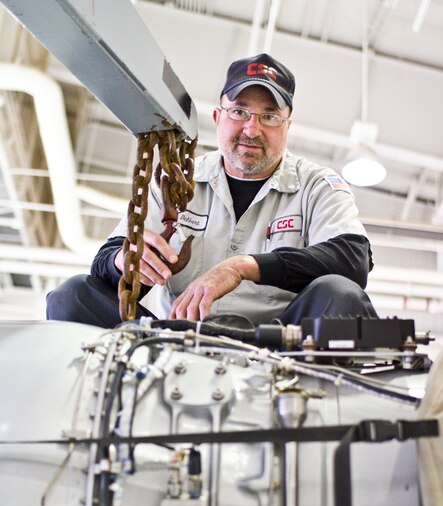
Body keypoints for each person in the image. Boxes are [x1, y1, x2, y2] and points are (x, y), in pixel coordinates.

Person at [47, 53, 378, 328]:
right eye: (240, 112)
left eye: (270, 117)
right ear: (219, 117)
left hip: (281, 348)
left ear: (287, 127)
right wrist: (126, 260)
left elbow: (353, 258)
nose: (252, 128)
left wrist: (242, 266)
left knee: (340, 293)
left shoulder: (317, 186)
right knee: (71, 296)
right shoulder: (173, 181)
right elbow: (103, 263)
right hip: (177, 341)